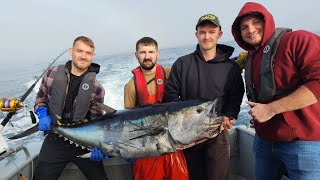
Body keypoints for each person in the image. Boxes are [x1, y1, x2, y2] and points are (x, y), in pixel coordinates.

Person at [231, 2, 320, 179]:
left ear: (267, 20)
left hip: (303, 143)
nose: (250, 30)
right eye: (244, 27)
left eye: (256, 22)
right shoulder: (249, 57)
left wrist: (271, 109)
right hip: (263, 140)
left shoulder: (297, 39)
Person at [165, 14, 244, 180]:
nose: (206, 36)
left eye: (211, 32)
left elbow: (236, 95)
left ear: (219, 34)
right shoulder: (182, 63)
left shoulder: (231, 67)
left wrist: (230, 116)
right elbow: (171, 94)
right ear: (196, 35)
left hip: (217, 133)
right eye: (202, 32)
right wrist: (186, 118)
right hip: (188, 135)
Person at [34, 36, 108, 180]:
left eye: (88, 53)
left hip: (83, 141)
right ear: (71, 51)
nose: (83, 56)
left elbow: (97, 121)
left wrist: (99, 145)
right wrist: (42, 112)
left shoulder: (97, 89)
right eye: (80, 51)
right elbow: (41, 96)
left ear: (93, 56)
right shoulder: (52, 73)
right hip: (55, 137)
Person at [124, 37, 189, 180]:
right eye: (142, 52)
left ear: (157, 54)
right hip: (145, 151)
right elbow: (127, 123)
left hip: (173, 145)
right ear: (136, 55)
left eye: (151, 52)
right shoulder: (130, 86)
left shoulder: (170, 74)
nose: (147, 56)